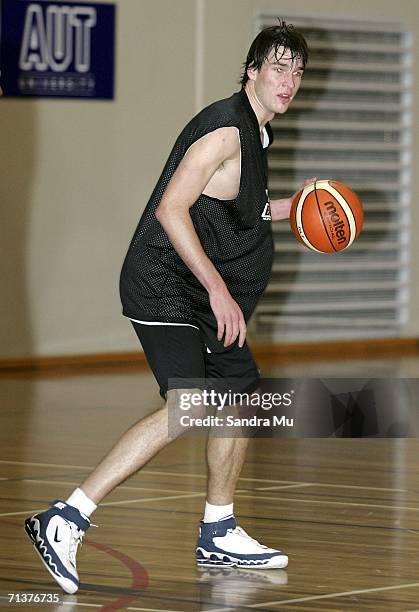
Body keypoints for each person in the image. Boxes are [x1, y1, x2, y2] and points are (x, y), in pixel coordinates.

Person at [24, 20, 312, 594]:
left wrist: (301, 209)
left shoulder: (255, 135)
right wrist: (218, 289)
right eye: (278, 68)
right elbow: (171, 210)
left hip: (197, 291)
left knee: (237, 399)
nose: (289, 81)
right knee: (192, 404)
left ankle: (219, 529)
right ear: (251, 71)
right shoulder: (225, 132)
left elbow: (238, 210)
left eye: (298, 72)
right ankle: (67, 517)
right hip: (165, 282)